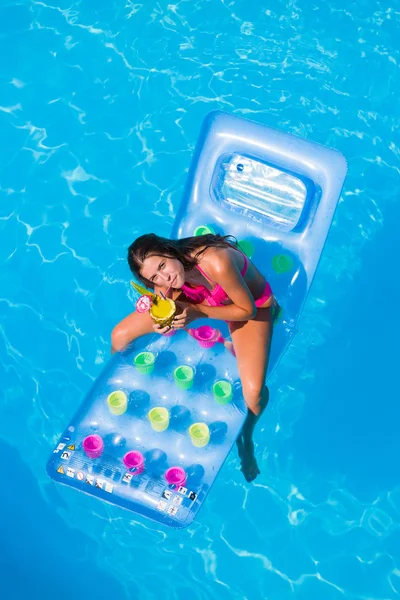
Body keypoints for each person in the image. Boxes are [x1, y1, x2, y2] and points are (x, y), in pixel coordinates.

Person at [112, 233, 278, 482]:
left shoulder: (216, 262)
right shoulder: (165, 282)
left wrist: (197, 312)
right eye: (154, 277)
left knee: (253, 395)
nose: (164, 277)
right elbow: (164, 300)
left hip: (253, 307)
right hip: (204, 304)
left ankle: (247, 437)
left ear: (170, 251)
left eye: (162, 266)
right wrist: (163, 322)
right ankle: (127, 391)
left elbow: (247, 310)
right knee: (120, 337)